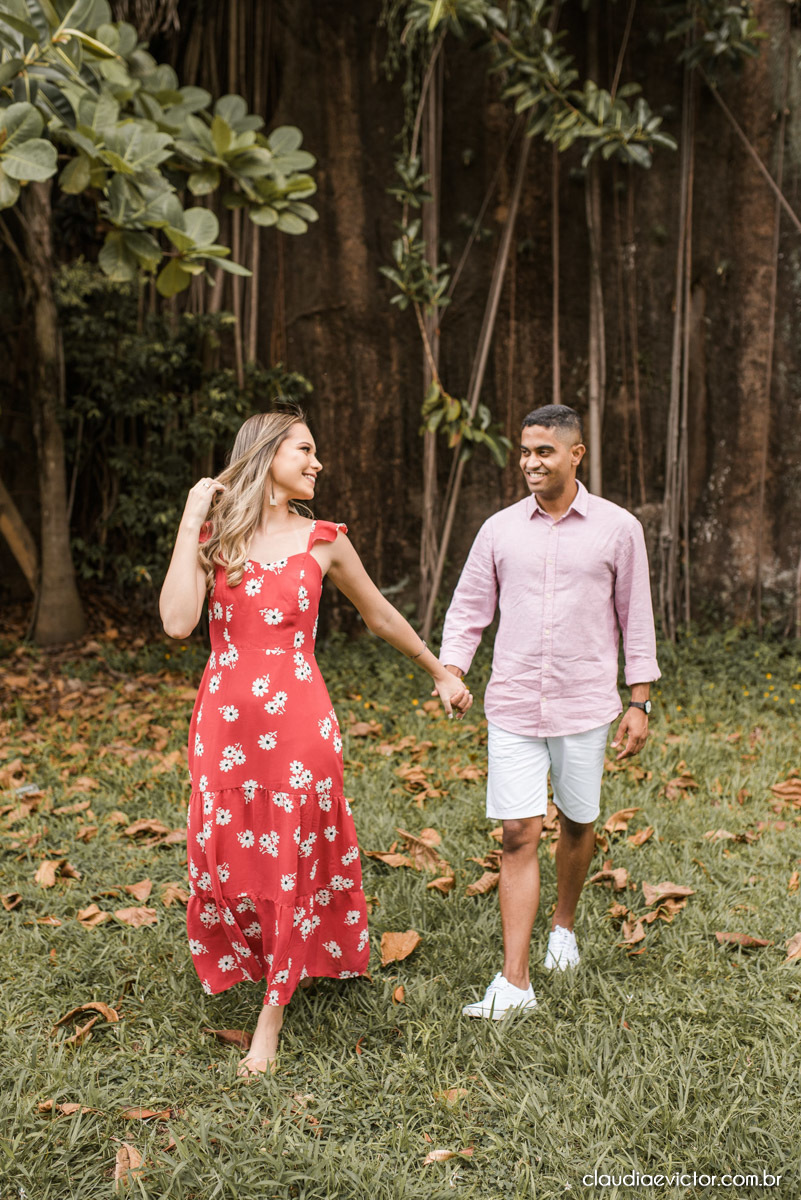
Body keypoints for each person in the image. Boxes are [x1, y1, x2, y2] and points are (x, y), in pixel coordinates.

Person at [159, 407, 471, 1072]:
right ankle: (262, 956)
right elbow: (179, 623)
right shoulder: (216, 539)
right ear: (268, 453)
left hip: (300, 725)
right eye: (304, 450)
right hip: (223, 728)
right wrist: (190, 523)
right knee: (222, 855)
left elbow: (379, 615)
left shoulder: (323, 539)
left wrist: (440, 672)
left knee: (291, 855)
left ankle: (271, 1014)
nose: (316, 462)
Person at [439, 404, 660, 1019]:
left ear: (575, 455)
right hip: (511, 702)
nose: (531, 463)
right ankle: (515, 983)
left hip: (586, 703)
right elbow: (468, 609)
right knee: (517, 832)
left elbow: (635, 620)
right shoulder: (499, 530)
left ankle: (563, 924)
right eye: (525, 452)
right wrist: (451, 669)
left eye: (544, 452)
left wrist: (639, 701)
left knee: (579, 822)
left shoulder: (619, 529)